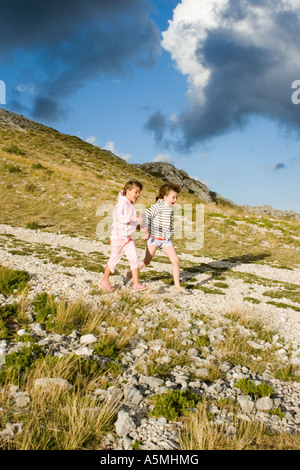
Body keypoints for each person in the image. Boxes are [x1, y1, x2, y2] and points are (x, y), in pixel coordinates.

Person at [122, 182, 192, 295]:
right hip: (154, 239)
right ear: (165, 197)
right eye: (173, 197)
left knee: (176, 261)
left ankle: (177, 287)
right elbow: (145, 216)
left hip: (166, 240)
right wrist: (146, 229)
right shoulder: (158, 206)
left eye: (176, 197)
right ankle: (129, 275)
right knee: (146, 261)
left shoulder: (169, 207)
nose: (175, 200)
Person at [100, 180, 148, 293]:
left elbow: (131, 223)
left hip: (128, 239)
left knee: (134, 259)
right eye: (136, 192)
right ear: (128, 191)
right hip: (118, 239)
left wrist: (141, 228)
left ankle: (136, 284)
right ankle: (104, 281)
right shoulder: (121, 204)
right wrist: (135, 219)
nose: (138, 195)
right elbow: (120, 219)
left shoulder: (130, 205)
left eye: (139, 192)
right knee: (113, 261)